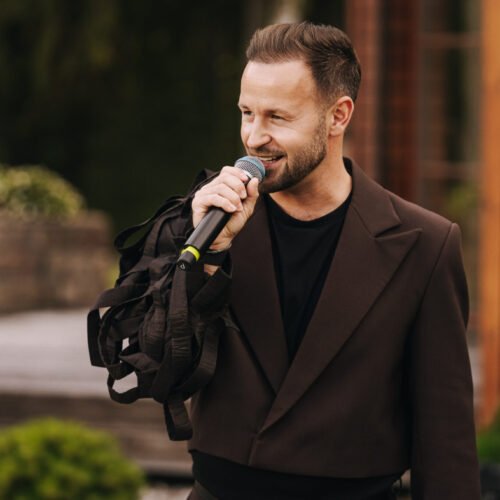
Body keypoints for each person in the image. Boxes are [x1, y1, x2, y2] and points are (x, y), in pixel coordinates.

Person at [180, 22, 480, 499]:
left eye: (277, 117)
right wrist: (208, 262)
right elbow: (161, 368)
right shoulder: (208, 219)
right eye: (246, 113)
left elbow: (445, 438)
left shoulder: (426, 243)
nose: (254, 137)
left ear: (338, 116)